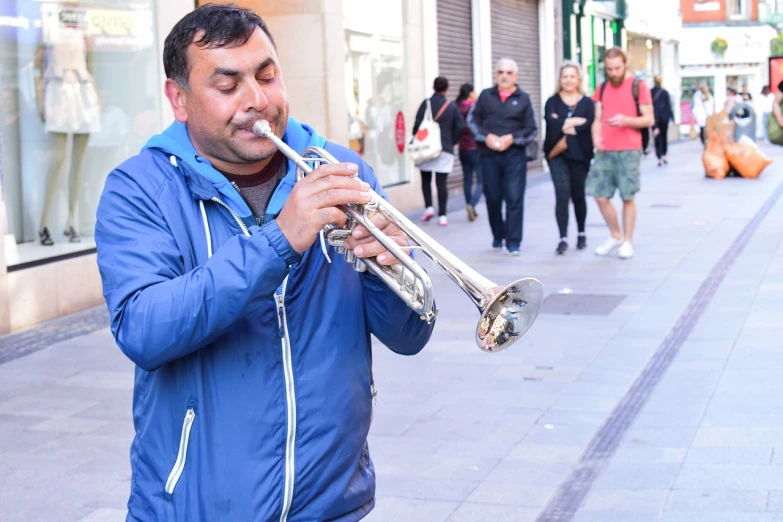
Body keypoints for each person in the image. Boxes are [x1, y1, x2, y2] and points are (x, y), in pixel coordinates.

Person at [94, 5, 435, 520]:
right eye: (228, 85)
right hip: (194, 507)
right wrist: (280, 240)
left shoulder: (340, 170)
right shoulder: (139, 189)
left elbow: (408, 337)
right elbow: (143, 329)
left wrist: (391, 270)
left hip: (331, 502)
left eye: (267, 76)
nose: (258, 101)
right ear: (178, 98)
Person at [587, 47, 654, 260]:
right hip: (605, 149)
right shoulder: (602, 88)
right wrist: (596, 137)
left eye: (617, 68)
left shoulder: (638, 86)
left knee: (628, 196)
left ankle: (627, 241)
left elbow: (649, 119)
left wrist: (626, 120)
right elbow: (597, 118)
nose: (613, 73)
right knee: (599, 195)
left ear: (625, 64)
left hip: (629, 149)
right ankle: (615, 235)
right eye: (609, 69)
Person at [467, 58, 539, 256]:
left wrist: (512, 138)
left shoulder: (523, 97)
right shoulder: (485, 96)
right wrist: (486, 137)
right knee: (493, 198)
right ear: (495, 75)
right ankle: (498, 236)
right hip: (488, 156)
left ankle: (513, 243)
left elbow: (532, 128)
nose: (504, 76)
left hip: (514, 156)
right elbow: (472, 121)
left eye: (509, 73)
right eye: (501, 72)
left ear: (515, 76)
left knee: (514, 198)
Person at [543, 61, 594, 255]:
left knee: (579, 195)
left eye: (572, 76)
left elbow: (588, 125)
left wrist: (564, 123)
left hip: (580, 156)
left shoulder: (587, 103)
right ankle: (562, 237)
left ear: (578, 79)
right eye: (565, 76)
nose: (568, 80)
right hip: (557, 155)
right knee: (562, 193)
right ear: (560, 79)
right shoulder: (552, 102)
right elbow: (552, 124)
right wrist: (574, 122)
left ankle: (581, 233)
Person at [412, 76, 464, 226]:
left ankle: (429, 207)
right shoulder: (452, 106)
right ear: (447, 89)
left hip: (426, 148)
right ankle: (442, 215)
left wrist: (419, 138)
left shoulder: (426, 103)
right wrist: (451, 141)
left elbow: (417, 125)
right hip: (444, 148)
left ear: (433, 88)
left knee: (426, 179)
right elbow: (460, 126)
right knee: (442, 182)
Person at [456, 82, 482, 222]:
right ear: (471, 93)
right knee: (481, 180)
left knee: (467, 179)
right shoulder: (473, 106)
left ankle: (470, 207)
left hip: (462, 148)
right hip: (474, 148)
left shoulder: (458, 107)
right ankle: (472, 205)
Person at [651, 76, 674, 166]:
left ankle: (659, 156)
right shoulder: (665, 92)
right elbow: (669, 106)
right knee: (664, 136)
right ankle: (664, 154)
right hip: (664, 117)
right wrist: (672, 118)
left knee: (657, 137)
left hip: (655, 117)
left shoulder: (651, 92)